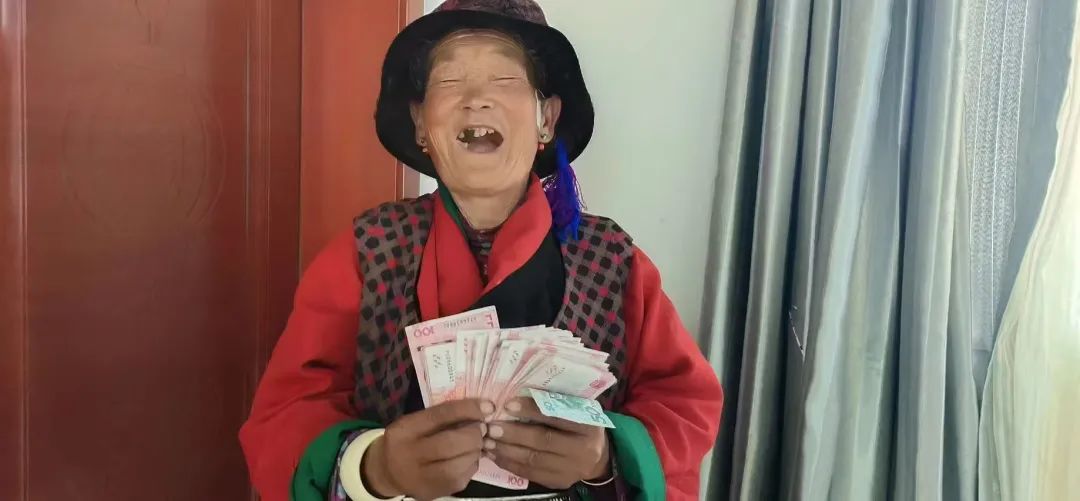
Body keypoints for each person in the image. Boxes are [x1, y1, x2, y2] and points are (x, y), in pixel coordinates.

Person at [239, 1, 722, 500]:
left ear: (546, 119)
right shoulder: (369, 250)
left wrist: (605, 457)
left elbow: (684, 403)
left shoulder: (612, 260)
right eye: (450, 81)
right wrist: (374, 466)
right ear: (421, 123)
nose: (476, 100)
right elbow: (286, 413)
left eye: (504, 79)